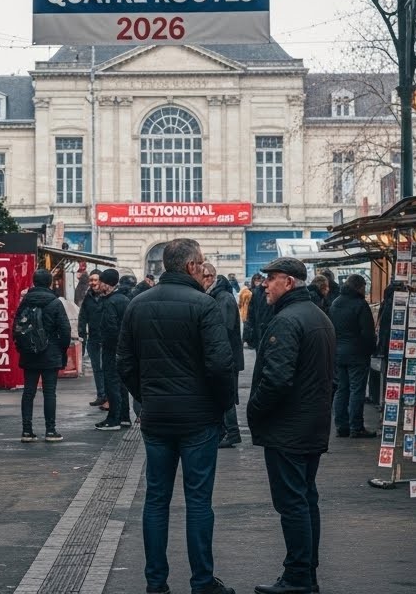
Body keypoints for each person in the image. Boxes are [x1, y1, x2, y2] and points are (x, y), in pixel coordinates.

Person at [119, 238, 235, 594]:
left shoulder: (137, 304)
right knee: (198, 500)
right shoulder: (204, 305)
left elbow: (124, 362)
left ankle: (156, 583)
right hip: (198, 418)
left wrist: (145, 397)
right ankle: (202, 581)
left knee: (156, 499)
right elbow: (220, 364)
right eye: (200, 263)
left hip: (157, 417)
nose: (202, 268)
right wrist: (220, 406)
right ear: (190, 267)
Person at [248, 257, 336, 594]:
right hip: (311, 422)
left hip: (289, 426)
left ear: (288, 282)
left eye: (270, 280)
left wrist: (255, 411)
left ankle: (298, 576)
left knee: (293, 503)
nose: (264, 285)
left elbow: (277, 379)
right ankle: (305, 573)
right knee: (305, 498)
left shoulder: (287, 320)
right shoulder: (318, 316)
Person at [16, 268, 73, 442]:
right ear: (49, 283)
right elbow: (65, 330)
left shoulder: (25, 301)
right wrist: (61, 349)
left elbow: (16, 327)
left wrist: (22, 347)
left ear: (34, 282)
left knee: (28, 392)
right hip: (51, 353)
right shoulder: (55, 303)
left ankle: (27, 431)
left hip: (29, 353)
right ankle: (50, 430)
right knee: (50, 393)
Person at [329, 274, 377, 438]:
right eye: (365, 286)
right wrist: (371, 349)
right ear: (359, 286)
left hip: (339, 353)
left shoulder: (336, 303)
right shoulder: (360, 304)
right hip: (357, 354)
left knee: (341, 389)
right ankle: (356, 427)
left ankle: (341, 426)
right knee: (357, 390)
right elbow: (368, 332)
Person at [202, 263, 244, 449]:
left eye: (203, 277)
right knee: (221, 394)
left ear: (210, 277)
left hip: (227, 357)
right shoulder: (216, 296)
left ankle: (232, 432)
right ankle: (223, 432)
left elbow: (224, 330)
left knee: (226, 394)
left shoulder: (223, 298)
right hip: (223, 355)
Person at [95, 268, 133, 431]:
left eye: (101, 282)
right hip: (124, 348)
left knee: (111, 383)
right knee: (121, 384)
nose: (98, 286)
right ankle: (124, 417)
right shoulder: (124, 299)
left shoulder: (110, 302)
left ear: (107, 284)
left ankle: (114, 419)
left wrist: (107, 345)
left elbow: (110, 328)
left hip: (112, 349)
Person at [78, 270, 108, 410]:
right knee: (97, 369)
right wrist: (82, 335)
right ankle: (101, 395)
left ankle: (108, 397)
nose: (93, 283)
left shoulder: (108, 296)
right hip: (93, 339)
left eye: (95, 280)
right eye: (91, 280)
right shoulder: (88, 298)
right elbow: (82, 317)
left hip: (108, 339)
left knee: (107, 368)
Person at [244, 273, 271, 351]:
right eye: (255, 280)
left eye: (259, 280)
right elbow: (250, 311)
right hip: (257, 326)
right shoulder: (252, 292)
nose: (257, 282)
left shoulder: (269, 292)